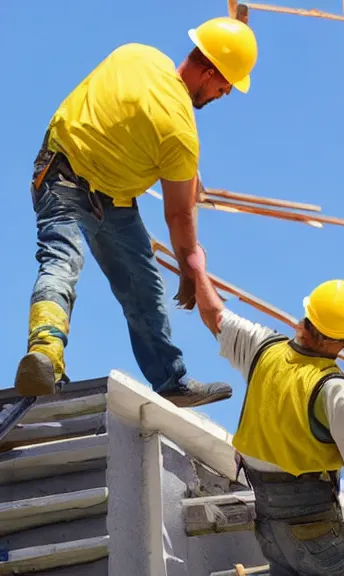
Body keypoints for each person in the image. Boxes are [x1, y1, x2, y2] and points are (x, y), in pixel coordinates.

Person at [15, 16, 258, 408]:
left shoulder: (136, 54)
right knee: (100, 274)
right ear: (210, 71)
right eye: (225, 85)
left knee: (99, 273)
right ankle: (56, 361)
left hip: (68, 173)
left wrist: (186, 168)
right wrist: (188, 268)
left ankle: (58, 357)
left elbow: (122, 111)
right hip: (86, 188)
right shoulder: (180, 134)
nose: (224, 93)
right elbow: (179, 218)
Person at [187, 247, 344, 576]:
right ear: (339, 341)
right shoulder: (335, 390)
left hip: (268, 523)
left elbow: (214, 314)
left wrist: (197, 268)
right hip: (314, 528)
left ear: (306, 317)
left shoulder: (263, 348)